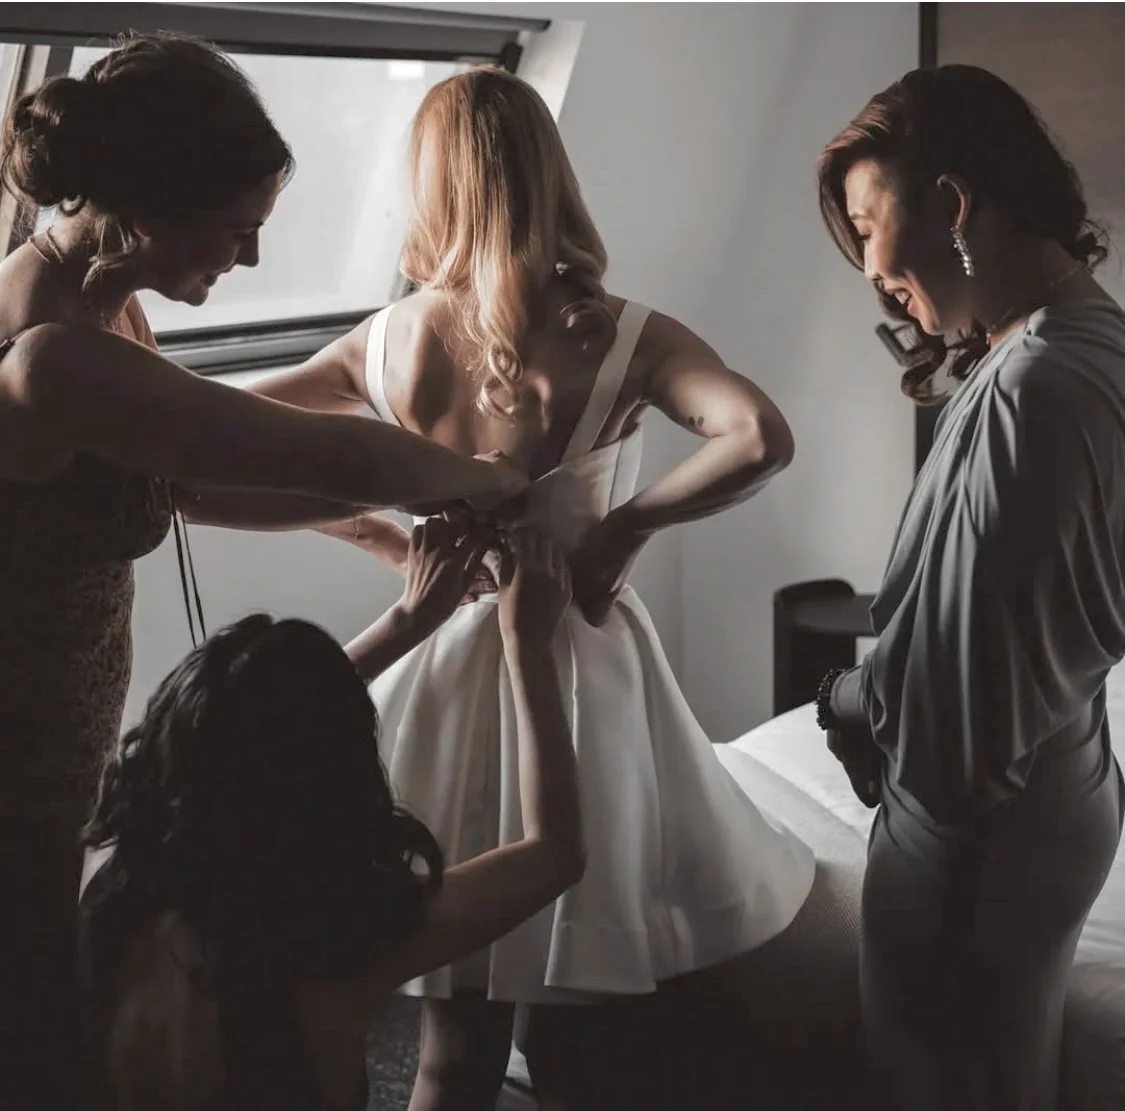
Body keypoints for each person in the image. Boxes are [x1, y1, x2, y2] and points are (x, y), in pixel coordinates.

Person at [254, 66, 815, 1110]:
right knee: (594, 997)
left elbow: (218, 458)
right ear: (550, 174)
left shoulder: (382, 344)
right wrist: (626, 529)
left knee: (454, 1041)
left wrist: (378, 530)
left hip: (439, 660)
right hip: (578, 668)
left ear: (433, 188)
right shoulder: (626, 334)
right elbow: (760, 438)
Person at [0, 33, 525, 1111]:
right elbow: (307, 447)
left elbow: (185, 481)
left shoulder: (103, 296)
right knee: (41, 1035)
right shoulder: (50, 352)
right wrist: (486, 479)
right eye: (236, 233)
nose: (245, 263)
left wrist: (388, 530)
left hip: (60, 733)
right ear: (149, 204)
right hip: (15, 748)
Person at [815, 64, 1125, 1110]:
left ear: (952, 207)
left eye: (868, 224)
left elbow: (957, 726)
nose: (867, 267)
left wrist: (850, 701)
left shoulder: (1032, 391)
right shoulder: (1096, 344)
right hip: (1061, 788)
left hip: (978, 846)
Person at [78, 518, 584, 1111]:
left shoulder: (111, 887)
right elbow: (555, 853)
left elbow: (248, 739)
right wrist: (527, 641)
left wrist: (408, 623)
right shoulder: (341, 944)